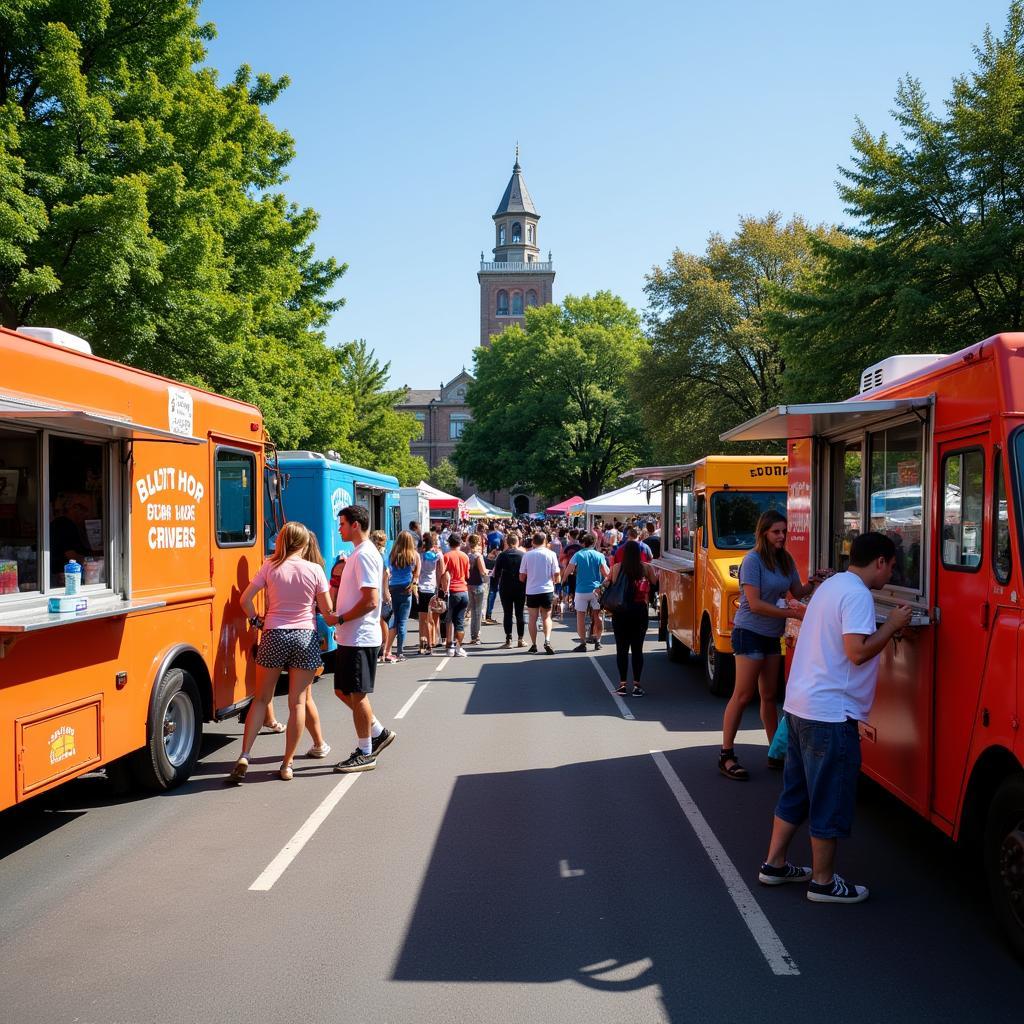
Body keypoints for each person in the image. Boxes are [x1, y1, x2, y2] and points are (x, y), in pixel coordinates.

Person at [758, 532, 913, 903]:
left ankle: (774, 864)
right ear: (879, 561)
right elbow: (856, 652)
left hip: (800, 707)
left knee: (797, 792)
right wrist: (891, 626)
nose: (892, 574)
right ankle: (824, 883)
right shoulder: (858, 594)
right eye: (892, 566)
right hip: (829, 714)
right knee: (830, 796)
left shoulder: (831, 586)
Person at [229, 521, 335, 783]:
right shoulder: (315, 570)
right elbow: (327, 610)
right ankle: (287, 764)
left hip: (273, 634)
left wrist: (256, 621)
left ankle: (245, 754)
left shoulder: (270, 566)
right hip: (304, 636)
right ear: (306, 543)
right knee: (297, 702)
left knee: (261, 699)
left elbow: (244, 600)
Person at [719, 511, 815, 780]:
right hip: (749, 632)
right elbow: (757, 604)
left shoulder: (785, 559)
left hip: (771, 635)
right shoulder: (753, 561)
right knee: (743, 694)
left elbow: (797, 591)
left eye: (784, 531)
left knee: (770, 695)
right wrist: (793, 614)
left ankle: (775, 753)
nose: (782, 536)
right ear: (763, 533)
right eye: (776, 532)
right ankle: (726, 754)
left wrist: (815, 581)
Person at [332, 505, 396, 773]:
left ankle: (365, 751)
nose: (339, 529)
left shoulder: (365, 554)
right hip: (351, 636)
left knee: (357, 695)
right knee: (342, 691)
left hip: (359, 636)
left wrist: (341, 618)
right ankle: (378, 732)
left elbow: (371, 600)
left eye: (343, 524)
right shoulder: (358, 554)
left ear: (355, 525)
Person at [607, 540, 657, 696]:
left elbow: (611, 584)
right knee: (637, 649)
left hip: (621, 612)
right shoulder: (646, 568)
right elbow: (655, 583)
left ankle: (622, 684)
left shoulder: (616, 568)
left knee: (621, 649)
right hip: (639, 611)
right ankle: (637, 684)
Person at [565, 533, 609, 652]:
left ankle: (583, 643)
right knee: (597, 616)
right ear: (594, 543)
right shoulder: (599, 555)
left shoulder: (577, 555)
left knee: (580, 617)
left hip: (581, 590)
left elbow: (569, 569)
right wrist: (605, 583)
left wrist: (563, 580)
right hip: (596, 590)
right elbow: (606, 573)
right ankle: (598, 641)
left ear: (583, 543)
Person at [520, 531, 560, 654]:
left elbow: (521, 576)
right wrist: (556, 581)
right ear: (545, 541)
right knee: (546, 617)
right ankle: (547, 640)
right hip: (547, 589)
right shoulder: (551, 554)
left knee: (533, 618)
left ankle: (533, 644)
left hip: (532, 590)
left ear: (533, 542)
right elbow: (556, 573)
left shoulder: (527, 555)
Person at [388, 530, 420, 661]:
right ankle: (400, 652)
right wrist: (412, 585)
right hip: (406, 588)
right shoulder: (414, 555)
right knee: (403, 622)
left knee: (393, 620)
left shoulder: (393, 554)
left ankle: (388, 649)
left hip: (393, 587)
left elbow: (388, 570)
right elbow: (416, 574)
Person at [493, 530, 526, 647]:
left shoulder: (502, 555)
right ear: (517, 542)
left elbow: (496, 573)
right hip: (520, 586)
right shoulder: (523, 555)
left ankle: (508, 639)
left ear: (507, 542)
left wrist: (496, 585)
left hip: (505, 587)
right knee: (519, 613)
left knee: (507, 613)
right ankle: (520, 639)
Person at [440, 532, 470, 657]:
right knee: (460, 621)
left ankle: (450, 646)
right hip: (463, 590)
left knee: (449, 620)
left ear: (449, 543)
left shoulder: (446, 556)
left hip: (452, 591)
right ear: (460, 543)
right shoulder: (465, 556)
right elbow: (467, 575)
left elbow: (443, 574)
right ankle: (459, 647)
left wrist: (441, 589)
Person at [370, 530, 395, 662]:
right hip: (381, 591)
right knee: (382, 619)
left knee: (382, 620)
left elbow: (386, 575)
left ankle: (384, 648)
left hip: (381, 592)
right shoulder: (383, 554)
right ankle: (383, 648)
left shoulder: (380, 555)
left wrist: (386, 593)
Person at [416, 532, 441, 654]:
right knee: (431, 620)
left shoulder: (420, 556)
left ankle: (422, 646)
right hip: (432, 589)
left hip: (421, 589)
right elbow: (440, 572)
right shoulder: (437, 556)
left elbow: (416, 571)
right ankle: (431, 645)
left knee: (422, 620)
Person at [466, 534, 489, 645]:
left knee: (473, 611)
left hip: (469, 584)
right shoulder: (477, 556)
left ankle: (473, 635)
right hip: (479, 585)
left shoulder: (467, 555)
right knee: (478, 612)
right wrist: (489, 572)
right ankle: (477, 636)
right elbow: (483, 571)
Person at [483, 543, 500, 624]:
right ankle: (488, 616)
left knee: (488, 598)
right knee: (490, 597)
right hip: (493, 582)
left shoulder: (484, 559)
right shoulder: (495, 560)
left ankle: (486, 615)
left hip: (488, 581)